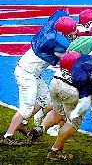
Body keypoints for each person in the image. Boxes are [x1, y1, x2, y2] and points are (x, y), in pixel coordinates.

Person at [0, 11, 77, 146]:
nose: (73, 35)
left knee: (45, 101)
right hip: (27, 73)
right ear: (64, 33)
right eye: (70, 33)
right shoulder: (57, 43)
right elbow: (70, 54)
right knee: (26, 108)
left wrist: (67, 18)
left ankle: (22, 124)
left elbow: (60, 13)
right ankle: (8, 136)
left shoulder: (53, 27)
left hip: (31, 71)